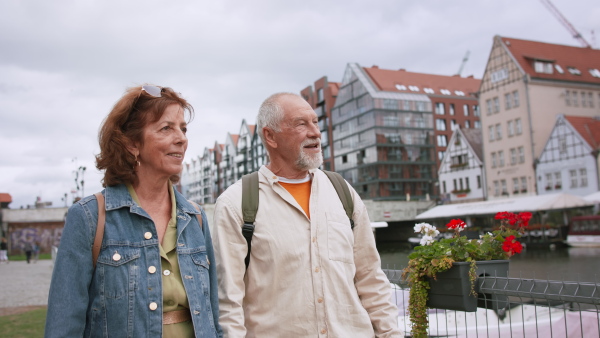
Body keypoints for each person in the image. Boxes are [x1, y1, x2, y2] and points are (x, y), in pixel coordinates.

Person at [213, 93, 402, 337]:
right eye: (301, 124)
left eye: (315, 122)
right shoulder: (236, 203)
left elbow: (371, 278)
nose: (315, 132)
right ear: (270, 136)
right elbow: (228, 301)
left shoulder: (342, 192)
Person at [45, 85, 222, 338]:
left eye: (183, 128)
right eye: (166, 128)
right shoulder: (89, 217)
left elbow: (213, 317)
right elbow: (63, 324)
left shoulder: (195, 218)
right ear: (131, 144)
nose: (182, 138)